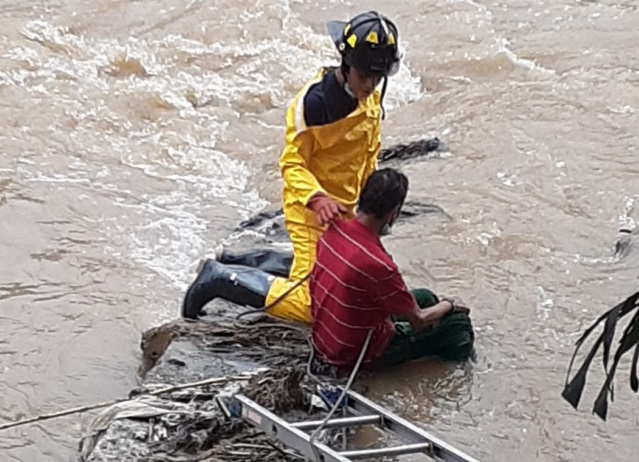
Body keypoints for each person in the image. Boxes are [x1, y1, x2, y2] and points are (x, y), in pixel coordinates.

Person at [181, 10, 402, 322]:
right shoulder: (316, 105)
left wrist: (370, 208)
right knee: (317, 305)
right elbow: (292, 163)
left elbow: (368, 151)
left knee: (343, 273)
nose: (370, 84)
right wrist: (317, 198)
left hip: (346, 206)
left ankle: (238, 260)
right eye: (364, 76)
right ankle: (218, 279)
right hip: (310, 210)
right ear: (346, 64)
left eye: (377, 78)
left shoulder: (371, 96)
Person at [309, 168, 476, 372]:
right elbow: (418, 320)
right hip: (356, 355)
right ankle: (454, 373)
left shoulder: (333, 230)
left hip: (325, 339)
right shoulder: (378, 264)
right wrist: (450, 304)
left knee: (424, 296)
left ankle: (433, 343)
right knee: (459, 326)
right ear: (394, 213)